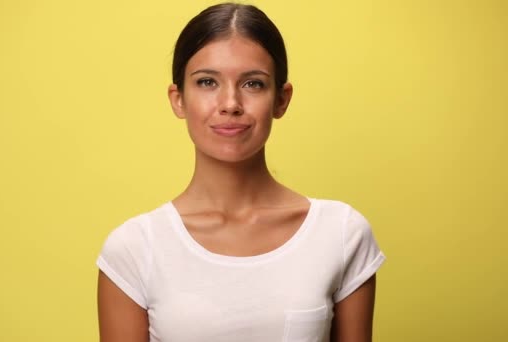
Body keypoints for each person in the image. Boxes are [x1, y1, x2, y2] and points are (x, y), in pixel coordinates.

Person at [96, 3, 385, 341]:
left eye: (253, 84)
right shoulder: (134, 250)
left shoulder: (341, 233)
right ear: (178, 99)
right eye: (207, 82)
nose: (230, 103)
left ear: (281, 99)